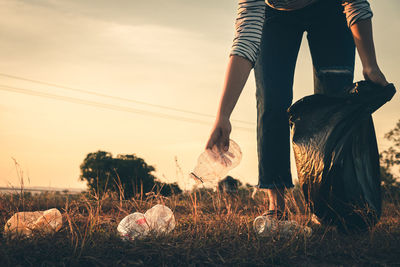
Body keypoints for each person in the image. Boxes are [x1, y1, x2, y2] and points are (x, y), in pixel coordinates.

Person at [206, 0, 388, 221]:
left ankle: (329, 202)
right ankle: (277, 204)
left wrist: (370, 64)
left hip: (330, 8)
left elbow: (355, 3)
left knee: (334, 99)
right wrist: (223, 115)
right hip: (274, 19)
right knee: (272, 99)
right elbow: (245, 42)